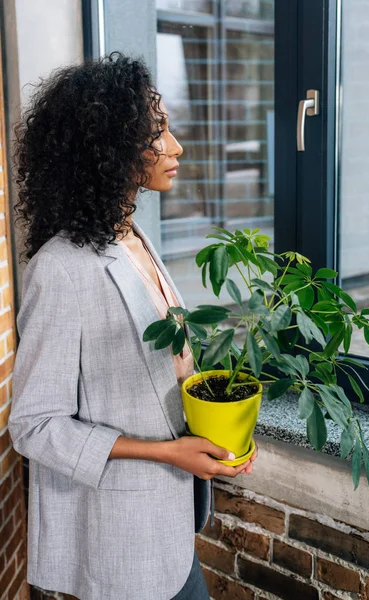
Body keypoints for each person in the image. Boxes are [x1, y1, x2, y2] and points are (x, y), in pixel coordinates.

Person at [8, 53, 257, 600]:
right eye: (158, 134)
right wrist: (168, 452)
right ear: (108, 150)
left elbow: (163, 369)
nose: (176, 148)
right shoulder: (61, 269)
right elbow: (33, 426)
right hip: (121, 547)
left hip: (170, 531)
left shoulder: (133, 237)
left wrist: (216, 428)